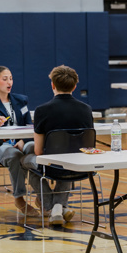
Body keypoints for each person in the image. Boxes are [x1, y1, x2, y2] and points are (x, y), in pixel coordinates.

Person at [24, 65, 94, 225]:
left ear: (53, 85)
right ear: (75, 86)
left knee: (25, 160)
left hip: (52, 167)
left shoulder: (42, 110)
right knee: (68, 156)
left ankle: (52, 206)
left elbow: (39, 151)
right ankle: (60, 206)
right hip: (79, 166)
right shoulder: (86, 109)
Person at [0, 66, 40, 217]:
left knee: (34, 148)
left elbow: (28, 125)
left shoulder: (21, 100)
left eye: (11, 78)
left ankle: (41, 195)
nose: (9, 82)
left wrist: (22, 140)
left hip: (21, 142)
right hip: (1, 145)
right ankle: (19, 198)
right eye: (4, 79)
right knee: (13, 155)